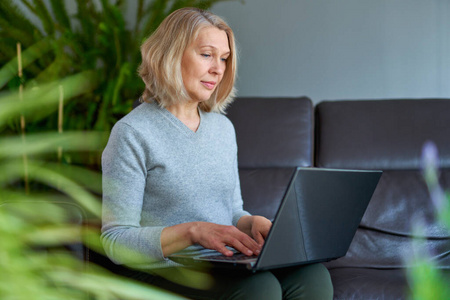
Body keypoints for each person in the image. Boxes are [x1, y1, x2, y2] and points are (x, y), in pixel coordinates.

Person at [101, 7, 333, 300]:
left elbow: (232, 211)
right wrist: (192, 231)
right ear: (170, 55)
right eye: (207, 54)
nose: (218, 68)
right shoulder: (132, 133)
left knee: (312, 275)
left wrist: (251, 223)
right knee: (259, 288)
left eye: (224, 58)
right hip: (162, 267)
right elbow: (114, 240)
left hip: (218, 262)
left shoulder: (223, 128)